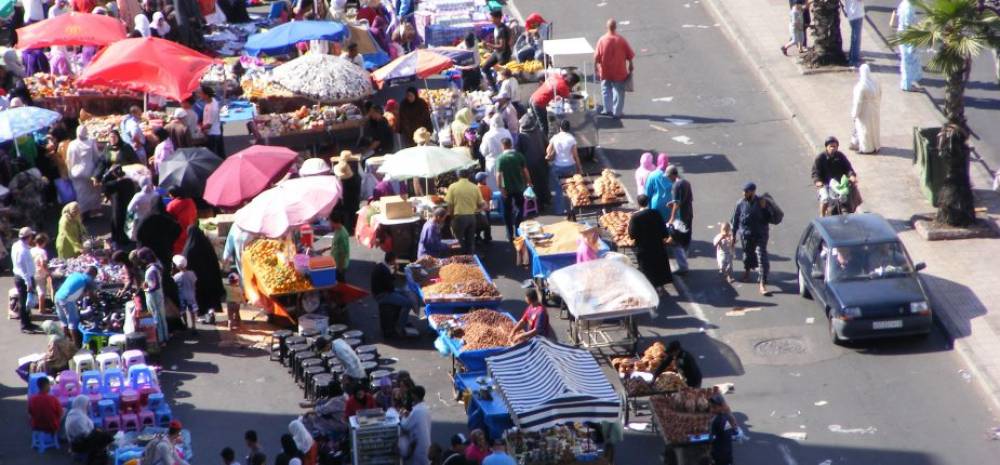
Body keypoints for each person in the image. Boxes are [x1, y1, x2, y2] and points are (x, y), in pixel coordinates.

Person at [731, 182, 773, 295]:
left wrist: (764, 208)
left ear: (753, 192)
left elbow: (770, 217)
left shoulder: (762, 202)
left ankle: (762, 283)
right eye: (743, 191)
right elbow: (734, 220)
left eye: (747, 191)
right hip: (746, 235)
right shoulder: (740, 204)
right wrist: (733, 235)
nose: (744, 193)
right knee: (747, 255)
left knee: (761, 256)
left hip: (760, 234)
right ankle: (747, 271)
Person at [182, 224, 226, 323]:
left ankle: (200, 316)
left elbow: (184, 262)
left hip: (196, 279)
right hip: (209, 277)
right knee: (210, 297)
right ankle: (211, 312)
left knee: (199, 298)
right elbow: (214, 261)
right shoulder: (207, 244)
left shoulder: (189, 247)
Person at [628, 195, 673, 290]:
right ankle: (660, 285)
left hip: (644, 248)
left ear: (638, 203)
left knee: (647, 268)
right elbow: (663, 229)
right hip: (657, 245)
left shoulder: (635, 217)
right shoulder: (656, 213)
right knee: (658, 265)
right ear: (648, 202)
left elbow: (632, 234)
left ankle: (651, 287)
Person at [594, 18, 635, 118]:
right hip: (619, 71)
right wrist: (630, 64)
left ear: (606, 27)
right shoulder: (621, 40)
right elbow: (629, 54)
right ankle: (617, 112)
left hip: (605, 71)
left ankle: (607, 109)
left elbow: (597, 57)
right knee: (619, 92)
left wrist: (596, 66)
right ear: (615, 27)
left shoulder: (602, 40)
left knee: (606, 90)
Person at [812, 136, 859, 216]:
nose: (833, 148)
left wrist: (851, 176)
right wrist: (818, 182)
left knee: (851, 195)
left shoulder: (840, 156)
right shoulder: (820, 158)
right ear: (826, 147)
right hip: (825, 184)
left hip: (839, 184)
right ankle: (822, 216)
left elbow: (848, 168)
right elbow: (815, 173)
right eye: (831, 146)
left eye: (835, 146)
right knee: (825, 199)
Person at [496, 138, 531, 241]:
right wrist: (529, 182)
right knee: (521, 208)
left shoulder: (501, 158)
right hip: (519, 187)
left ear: (503, 146)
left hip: (506, 189)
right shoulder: (519, 156)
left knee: (507, 211)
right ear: (511, 145)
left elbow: (499, 175)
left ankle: (509, 234)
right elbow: (525, 171)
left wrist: (501, 187)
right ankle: (518, 227)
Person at [55, 266, 98, 347]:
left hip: (57, 297)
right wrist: (98, 303)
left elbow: (75, 290)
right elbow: (91, 294)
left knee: (64, 322)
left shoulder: (75, 275)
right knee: (73, 322)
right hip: (67, 300)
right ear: (93, 274)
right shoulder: (87, 279)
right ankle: (76, 345)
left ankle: (66, 342)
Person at [546, 120, 582, 214]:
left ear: (560, 128)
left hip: (557, 166)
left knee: (558, 189)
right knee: (572, 188)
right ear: (569, 128)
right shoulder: (571, 139)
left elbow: (548, 150)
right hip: (570, 166)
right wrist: (579, 167)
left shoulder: (555, 137)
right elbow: (575, 155)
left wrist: (550, 154)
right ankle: (573, 208)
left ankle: (560, 210)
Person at [66, 395, 114, 465]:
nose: (89, 406)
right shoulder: (78, 418)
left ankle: (107, 448)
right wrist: (96, 432)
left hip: (79, 441)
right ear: (82, 404)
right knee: (103, 436)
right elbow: (85, 433)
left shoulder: (75, 413)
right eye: (87, 404)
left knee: (101, 432)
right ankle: (108, 449)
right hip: (79, 444)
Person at [446, 169, 484, 255]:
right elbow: (481, 204)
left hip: (458, 217)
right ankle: (471, 261)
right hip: (472, 217)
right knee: (470, 241)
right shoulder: (475, 187)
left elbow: (450, 205)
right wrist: (476, 209)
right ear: (468, 176)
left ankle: (460, 261)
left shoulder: (452, 187)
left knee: (458, 241)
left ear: (458, 176)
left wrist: (451, 217)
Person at [66, 125, 102, 216]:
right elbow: (96, 157)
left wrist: (70, 172)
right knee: (93, 192)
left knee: (81, 193)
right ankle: (93, 211)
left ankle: (81, 212)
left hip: (76, 173)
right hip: (89, 171)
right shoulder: (91, 142)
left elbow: (69, 160)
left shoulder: (72, 144)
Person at [516, 112, 550, 209]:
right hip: (542, 161)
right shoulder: (539, 131)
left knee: (533, 183)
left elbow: (518, 151)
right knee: (543, 181)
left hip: (529, 164)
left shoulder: (521, 136)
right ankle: (546, 199)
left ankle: (538, 203)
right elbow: (547, 144)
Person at [529, 71, 579, 137]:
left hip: (532, 98)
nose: (572, 86)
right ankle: (544, 145)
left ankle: (537, 140)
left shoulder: (556, 76)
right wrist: (576, 95)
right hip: (539, 103)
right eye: (573, 84)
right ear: (571, 82)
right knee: (543, 127)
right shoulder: (563, 86)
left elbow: (553, 89)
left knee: (536, 124)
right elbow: (569, 97)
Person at [11, 227, 41, 331]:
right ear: (28, 237)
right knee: (24, 302)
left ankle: (28, 322)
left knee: (27, 302)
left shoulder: (17, 245)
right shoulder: (22, 251)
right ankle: (25, 325)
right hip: (24, 279)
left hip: (21, 277)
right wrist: (29, 283)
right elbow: (24, 269)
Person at [666, 165, 693, 275]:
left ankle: (683, 266)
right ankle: (685, 261)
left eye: (668, 176)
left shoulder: (676, 186)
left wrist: (672, 218)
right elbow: (687, 199)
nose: (668, 178)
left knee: (676, 241)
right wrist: (672, 204)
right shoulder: (686, 182)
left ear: (673, 174)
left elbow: (677, 203)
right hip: (688, 214)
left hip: (680, 218)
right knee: (685, 239)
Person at [102, 165, 138, 247]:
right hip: (128, 204)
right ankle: (128, 239)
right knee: (127, 222)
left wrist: (107, 174)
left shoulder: (116, 183)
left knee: (118, 223)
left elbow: (104, 184)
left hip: (119, 206)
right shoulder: (129, 181)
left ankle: (119, 241)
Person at [890, 0, 922, 91]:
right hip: (908, 37)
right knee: (908, 61)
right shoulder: (909, 8)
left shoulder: (904, 4)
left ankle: (906, 83)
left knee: (906, 60)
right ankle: (907, 85)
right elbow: (909, 25)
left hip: (902, 34)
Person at [850, 64, 881, 154]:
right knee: (874, 128)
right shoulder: (875, 83)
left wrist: (854, 114)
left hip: (864, 111)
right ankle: (876, 145)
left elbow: (858, 102)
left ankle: (866, 148)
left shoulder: (861, 86)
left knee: (864, 129)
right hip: (874, 109)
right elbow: (880, 94)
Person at [141, 248, 169, 345]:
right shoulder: (157, 266)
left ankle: (160, 339)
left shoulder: (151, 270)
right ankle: (165, 337)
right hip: (159, 294)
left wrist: (145, 288)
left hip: (153, 296)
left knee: (156, 317)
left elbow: (154, 285)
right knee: (162, 317)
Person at [480, 10, 512, 89]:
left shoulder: (502, 30)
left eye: (493, 18)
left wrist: (488, 45)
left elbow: (502, 46)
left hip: (503, 54)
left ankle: (502, 91)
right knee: (485, 67)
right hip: (497, 53)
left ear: (498, 18)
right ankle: (494, 88)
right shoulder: (497, 28)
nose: (491, 19)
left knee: (503, 74)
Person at [481, 113, 512, 193]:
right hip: (506, 162)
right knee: (506, 186)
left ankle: (497, 205)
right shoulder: (507, 132)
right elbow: (512, 146)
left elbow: (484, 151)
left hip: (492, 164)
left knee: (494, 188)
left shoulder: (488, 135)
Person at [400, 386, 431, 465]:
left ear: (415, 396)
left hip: (418, 445)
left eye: (412, 395)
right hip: (426, 443)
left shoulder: (416, 411)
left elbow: (405, 425)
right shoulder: (425, 408)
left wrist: (403, 415)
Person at [708, 395, 740, 465]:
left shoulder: (716, 420)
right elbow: (731, 432)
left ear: (721, 407)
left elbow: (711, 438)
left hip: (719, 455)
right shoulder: (725, 418)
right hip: (727, 454)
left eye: (714, 407)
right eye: (712, 407)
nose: (712, 409)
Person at [166, 187, 197, 253]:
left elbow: (167, 219)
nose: (169, 196)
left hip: (179, 234)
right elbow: (194, 214)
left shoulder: (172, 205)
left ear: (173, 194)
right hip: (190, 231)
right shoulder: (190, 201)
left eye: (170, 194)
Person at [172, 255, 198, 334]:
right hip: (191, 295)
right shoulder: (192, 273)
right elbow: (195, 282)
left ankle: (186, 324)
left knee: (183, 311)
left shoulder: (176, 276)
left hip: (182, 296)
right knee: (192, 311)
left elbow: (175, 285)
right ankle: (193, 325)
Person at [644, 154, 673, 222]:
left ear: (658, 162)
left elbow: (648, 192)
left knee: (656, 226)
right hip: (669, 204)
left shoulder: (652, 175)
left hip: (656, 204)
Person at [199, 86, 224, 157]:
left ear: (206, 95)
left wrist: (200, 128)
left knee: (214, 155)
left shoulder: (213, 107)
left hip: (213, 134)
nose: (200, 95)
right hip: (213, 133)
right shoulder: (209, 102)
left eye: (201, 94)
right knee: (218, 154)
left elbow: (209, 125)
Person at [329, 211, 350, 283]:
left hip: (340, 264)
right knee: (338, 281)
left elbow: (343, 253)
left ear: (334, 222)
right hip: (336, 262)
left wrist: (340, 268)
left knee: (340, 282)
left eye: (330, 221)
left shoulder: (342, 234)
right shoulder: (337, 230)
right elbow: (337, 244)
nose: (329, 223)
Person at [474, 172, 494, 243]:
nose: (486, 180)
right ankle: (487, 237)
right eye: (485, 179)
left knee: (477, 224)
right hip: (486, 209)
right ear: (482, 180)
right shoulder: (487, 188)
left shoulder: (475, 188)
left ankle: (478, 236)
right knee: (487, 224)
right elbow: (491, 197)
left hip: (477, 210)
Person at [844, 0, 865, 67]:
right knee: (856, 38)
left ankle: (852, 57)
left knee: (854, 37)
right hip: (856, 13)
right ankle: (854, 61)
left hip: (852, 12)